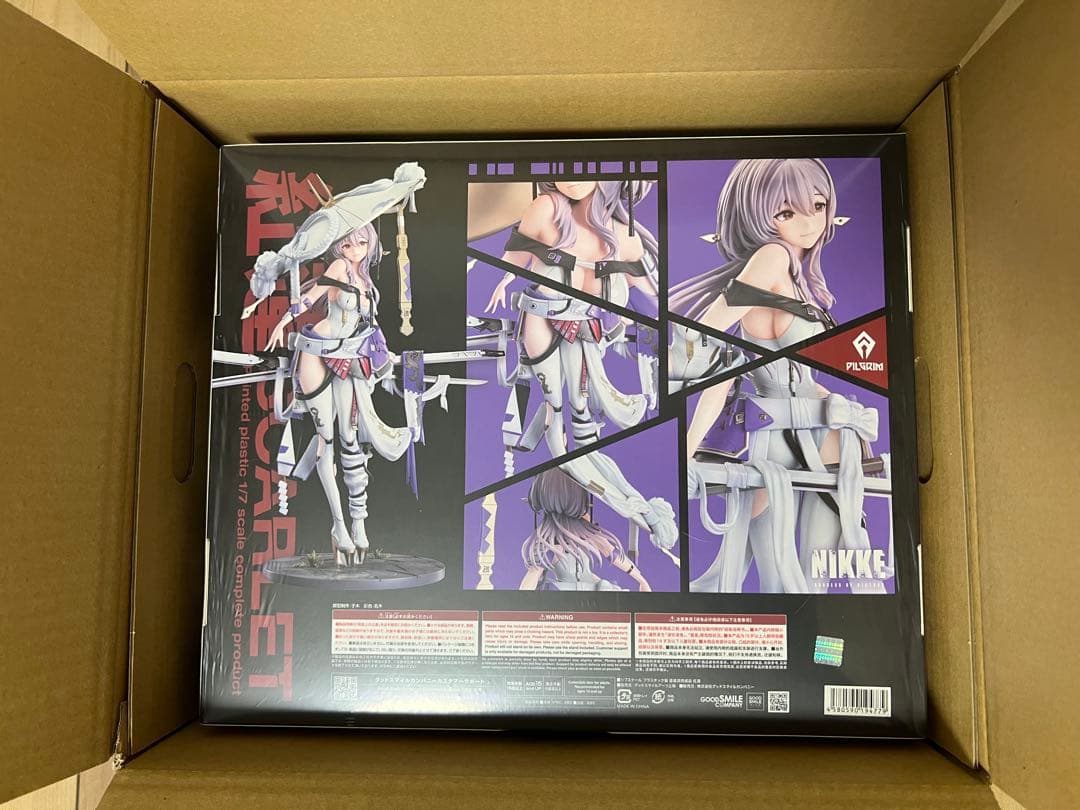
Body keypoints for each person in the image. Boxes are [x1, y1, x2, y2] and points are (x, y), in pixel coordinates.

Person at [671, 159, 883, 593]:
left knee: (814, 578)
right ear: (757, 213)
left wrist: (852, 418)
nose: (808, 222)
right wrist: (686, 450)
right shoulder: (772, 256)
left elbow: (795, 373)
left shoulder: (799, 273)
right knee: (781, 582)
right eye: (787, 212)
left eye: (818, 205)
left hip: (828, 433)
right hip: (777, 435)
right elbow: (712, 347)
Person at [518, 468, 652, 591]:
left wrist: (642, 580)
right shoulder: (553, 546)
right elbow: (532, 575)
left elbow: (612, 553)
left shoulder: (588, 534)